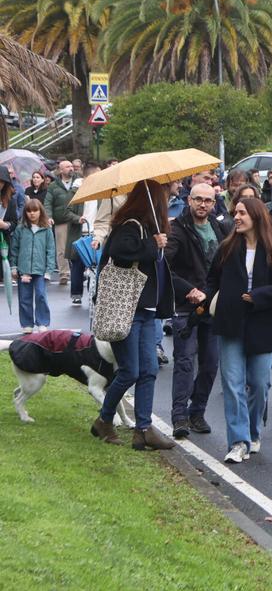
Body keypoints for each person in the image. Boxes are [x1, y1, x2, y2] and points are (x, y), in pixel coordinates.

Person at [205, 197, 272, 464]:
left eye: (242, 213)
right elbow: (212, 280)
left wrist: (259, 296)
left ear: (257, 216)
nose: (236, 217)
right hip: (230, 323)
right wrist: (210, 302)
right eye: (235, 212)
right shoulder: (227, 247)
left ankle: (254, 432)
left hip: (264, 325)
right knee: (232, 385)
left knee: (259, 384)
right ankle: (238, 441)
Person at [91, 180, 176, 451]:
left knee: (149, 369)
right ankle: (104, 419)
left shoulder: (148, 228)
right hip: (127, 309)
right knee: (130, 371)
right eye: (165, 193)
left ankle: (143, 429)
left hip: (145, 311)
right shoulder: (130, 225)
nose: (169, 197)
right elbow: (119, 251)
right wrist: (153, 245)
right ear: (153, 198)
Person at [164, 182, 228, 439]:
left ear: (214, 203)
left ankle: (197, 411)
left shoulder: (220, 228)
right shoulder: (176, 229)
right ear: (188, 200)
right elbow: (165, 268)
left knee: (211, 363)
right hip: (185, 307)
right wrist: (186, 289)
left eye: (208, 201)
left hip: (213, 305)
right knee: (185, 362)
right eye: (198, 199)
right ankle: (179, 416)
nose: (203, 205)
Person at [9, 198, 55, 333]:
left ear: (40, 212)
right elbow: (14, 249)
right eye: (29, 211)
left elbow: (51, 251)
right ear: (25, 213)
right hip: (23, 270)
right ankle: (27, 324)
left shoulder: (46, 230)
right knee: (24, 298)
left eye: (35, 211)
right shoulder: (20, 229)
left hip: (40, 270)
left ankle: (42, 322)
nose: (32, 214)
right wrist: (14, 267)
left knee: (41, 295)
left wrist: (49, 270)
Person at [44, 159, 83, 299]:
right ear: (61, 170)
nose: (71, 168)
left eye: (72, 166)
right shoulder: (54, 186)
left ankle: (79, 271)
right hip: (60, 220)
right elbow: (48, 202)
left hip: (77, 220)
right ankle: (64, 274)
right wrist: (48, 216)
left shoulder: (79, 181)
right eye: (67, 166)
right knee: (61, 249)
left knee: (77, 248)